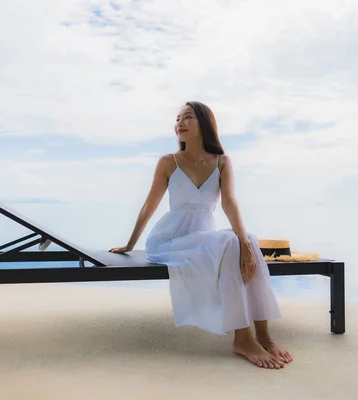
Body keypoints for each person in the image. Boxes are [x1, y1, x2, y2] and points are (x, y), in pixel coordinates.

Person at [109, 101, 292, 369]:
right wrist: (130, 243)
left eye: (187, 117)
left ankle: (263, 334)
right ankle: (242, 338)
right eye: (177, 119)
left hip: (203, 239)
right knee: (232, 241)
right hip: (170, 241)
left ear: (204, 123)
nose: (179, 124)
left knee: (248, 239)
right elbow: (150, 205)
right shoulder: (168, 162)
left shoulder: (222, 162)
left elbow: (229, 202)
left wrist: (244, 243)